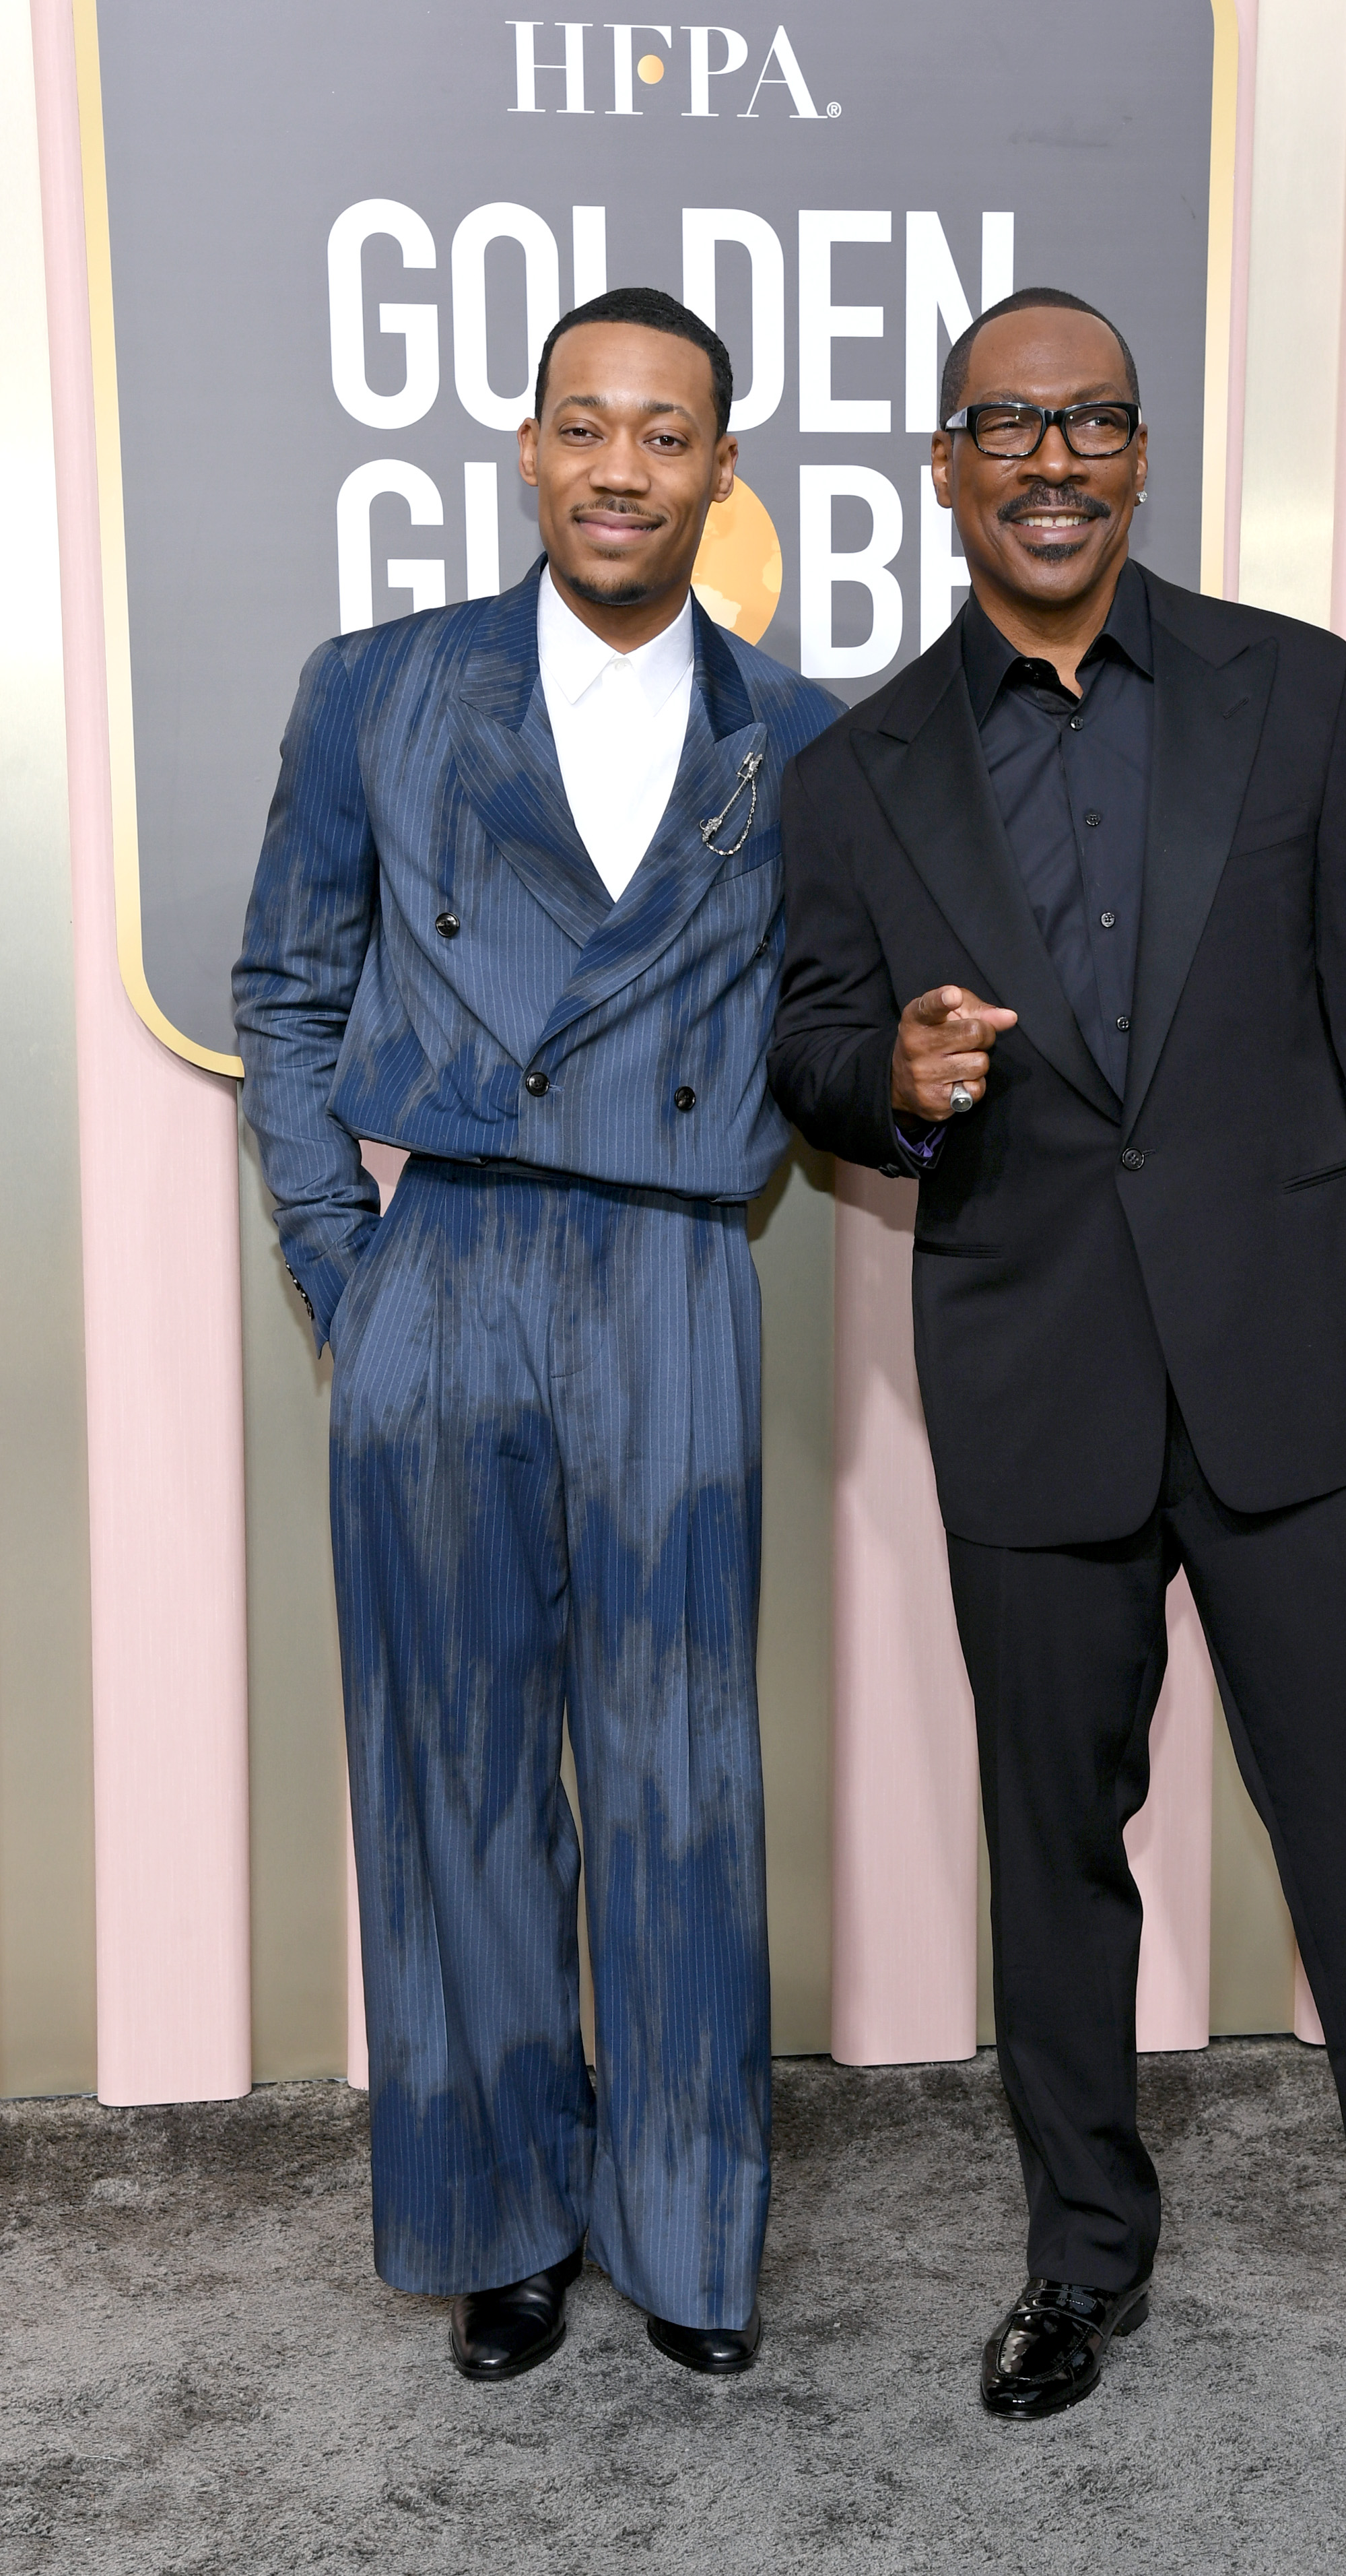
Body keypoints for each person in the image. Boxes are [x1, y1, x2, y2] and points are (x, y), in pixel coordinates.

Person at [769, 287, 1346, 2442]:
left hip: (1301, 1369)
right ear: (946, 467)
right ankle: (1081, 2256)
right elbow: (804, 1048)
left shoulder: (1295, 691)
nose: (1052, 460)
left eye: (1093, 423)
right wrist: (886, 1074)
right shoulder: (851, 768)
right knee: (1054, 1846)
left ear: (1140, 458)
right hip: (1034, 1379)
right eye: (1009, 426)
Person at [235, 286, 836, 2383]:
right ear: (526, 443)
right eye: (586, 424)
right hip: (448, 1261)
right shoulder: (381, 690)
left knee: (681, 1776)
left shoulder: (797, 734)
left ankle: (685, 2231)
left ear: (719, 469)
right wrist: (346, 1259)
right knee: (454, 1774)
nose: (620, 467)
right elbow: (289, 984)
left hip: (676, 1258)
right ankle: (500, 2211)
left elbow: (834, 1025)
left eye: (666, 435)